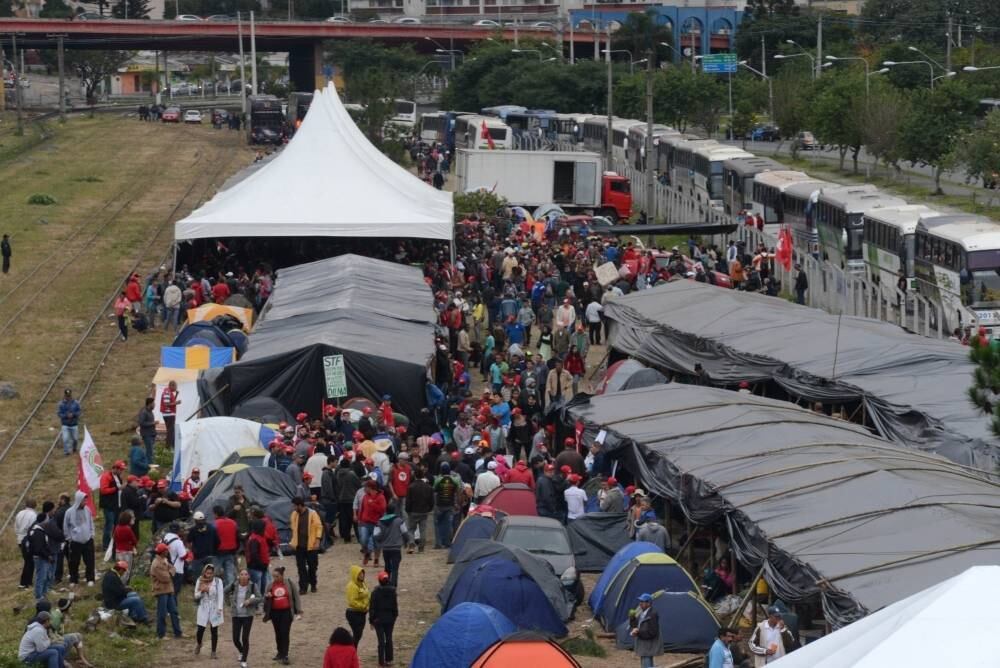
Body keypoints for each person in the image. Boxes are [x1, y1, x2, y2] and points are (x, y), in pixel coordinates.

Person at [264, 566, 302, 666]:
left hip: (286, 612)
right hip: (275, 613)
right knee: (278, 633)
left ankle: (285, 655)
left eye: (277, 576)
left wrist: (298, 611)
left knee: (285, 632)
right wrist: (267, 597)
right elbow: (265, 600)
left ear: (282, 575)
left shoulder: (289, 583)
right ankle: (279, 652)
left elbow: (296, 597)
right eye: (273, 576)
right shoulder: (270, 585)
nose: (275, 578)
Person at [289, 496, 323, 595]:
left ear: (300, 505)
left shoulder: (312, 513)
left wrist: (317, 540)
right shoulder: (294, 515)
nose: (293, 508)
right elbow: (293, 529)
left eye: (295, 506)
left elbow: (319, 527)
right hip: (299, 546)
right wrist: (293, 541)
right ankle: (303, 587)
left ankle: (313, 584)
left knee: (313, 566)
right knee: (301, 567)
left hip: (311, 545)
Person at [62, 490, 95, 587]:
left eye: (85, 501)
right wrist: (69, 538)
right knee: (74, 562)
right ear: (78, 500)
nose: (85, 503)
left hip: (87, 540)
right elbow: (66, 526)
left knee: (89, 561)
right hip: (75, 542)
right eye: (83, 501)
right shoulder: (69, 512)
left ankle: (90, 578)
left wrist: (92, 534)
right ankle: (73, 579)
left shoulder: (87, 510)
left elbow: (90, 522)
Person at [229, 569, 261, 668]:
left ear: (248, 577)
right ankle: (242, 651)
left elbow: (260, 598)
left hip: (248, 616)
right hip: (236, 615)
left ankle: (244, 660)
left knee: (245, 638)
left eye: (245, 574)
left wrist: (250, 601)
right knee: (235, 639)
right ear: (239, 576)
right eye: (241, 574)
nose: (243, 576)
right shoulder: (234, 585)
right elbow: (224, 592)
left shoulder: (252, 586)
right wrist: (229, 602)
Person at [373, 502, 410, 587]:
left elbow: (376, 536)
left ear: (386, 511)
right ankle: (393, 585)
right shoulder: (399, 521)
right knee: (395, 568)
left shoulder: (379, 522)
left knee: (387, 567)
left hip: (386, 548)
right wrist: (406, 542)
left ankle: (386, 583)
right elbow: (405, 533)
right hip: (396, 548)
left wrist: (382, 539)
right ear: (394, 511)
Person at [150, 542, 182, 639]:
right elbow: (166, 578)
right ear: (163, 552)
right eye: (166, 550)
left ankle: (178, 632)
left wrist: (170, 571)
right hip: (161, 591)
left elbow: (173, 569)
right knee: (162, 613)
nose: (168, 551)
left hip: (168, 590)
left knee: (174, 611)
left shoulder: (164, 560)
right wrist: (170, 571)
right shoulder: (156, 564)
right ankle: (161, 634)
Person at [194, 563, 225, 658]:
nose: (209, 575)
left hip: (214, 607)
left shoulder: (218, 581)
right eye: (207, 573)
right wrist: (202, 591)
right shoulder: (200, 580)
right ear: (204, 572)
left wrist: (220, 608)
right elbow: (196, 595)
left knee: (214, 629)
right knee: (200, 630)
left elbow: (220, 594)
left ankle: (213, 652)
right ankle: (199, 643)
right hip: (203, 606)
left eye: (211, 573)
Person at [369, 571, 398, 667]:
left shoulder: (375, 593)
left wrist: (371, 620)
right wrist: (394, 617)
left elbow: (372, 608)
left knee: (381, 641)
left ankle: (381, 661)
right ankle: (389, 659)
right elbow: (395, 607)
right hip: (389, 619)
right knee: (389, 639)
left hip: (379, 620)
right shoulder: (393, 592)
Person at [357, 481, 387, 567]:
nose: (364, 489)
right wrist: (360, 518)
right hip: (365, 522)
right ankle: (367, 553)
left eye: (366, 487)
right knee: (363, 539)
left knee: (377, 542)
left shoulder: (381, 497)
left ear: (371, 488)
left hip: (376, 523)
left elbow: (382, 510)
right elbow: (362, 507)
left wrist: (372, 504)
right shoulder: (365, 496)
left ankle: (376, 559)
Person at [629, 593, 662, 668]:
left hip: (648, 645)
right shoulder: (642, 613)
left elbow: (652, 632)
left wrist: (638, 632)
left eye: (642, 602)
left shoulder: (653, 614)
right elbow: (635, 626)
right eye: (640, 601)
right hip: (643, 645)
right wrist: (632, 618)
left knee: (646, 665)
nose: (640, 603)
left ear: (648, 603)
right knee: (646, 664)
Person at [432, 463, 461, 549]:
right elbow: (458, 492)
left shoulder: (438, 480)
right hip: (450, 505)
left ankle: (438, 543)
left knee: (437, 524)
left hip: (439, 505)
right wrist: (457, 504)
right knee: (448, 524)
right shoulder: (455, 480)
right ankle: (448, 543)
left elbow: (434, 491)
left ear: (441, 471)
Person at [404, 469, 433, 553]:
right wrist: (429, 509)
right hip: (424, 511)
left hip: (413, 511)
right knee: (422, 530)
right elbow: (431, 501)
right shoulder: (428, 487)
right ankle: (421, 548)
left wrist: (407, 510)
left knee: (411, 529)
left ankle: (411, 544)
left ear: (415, 476)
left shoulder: (411, 487)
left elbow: (408, 500)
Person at [98, 459, 124, 550]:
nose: (122, 471)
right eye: (121, 469)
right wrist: (117, 488)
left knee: (116, 525)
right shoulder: (106, 476)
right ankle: (106, 545)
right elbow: (103, 490)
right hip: (108, 505)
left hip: (117, 505)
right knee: (109, 525)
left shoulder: (118, 476)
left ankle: (114, 543)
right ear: (115, 468)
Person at [345, 565, 370, 647]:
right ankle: (351, 651)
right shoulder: (352, 586)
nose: (362, 575)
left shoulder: (362, 584)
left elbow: (367, 595)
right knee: (357, 634)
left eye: (363, 573)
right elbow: (353, 601)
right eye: (360, 574)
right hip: (354, 613)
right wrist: (363, 606)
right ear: (355, 575)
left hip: (362, 613)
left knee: (358, 635)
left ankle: (351, 652)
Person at [15, 499, 37, 590]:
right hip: (28, 539)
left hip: (20, 539)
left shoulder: (19, 513)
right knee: (29, 562)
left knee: (28, 560)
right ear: (34, 505)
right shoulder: (33, 515)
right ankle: (25, 583)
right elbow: (33, 528)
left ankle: (27, 582)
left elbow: (16, 527)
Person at [112, 510, 138, 582]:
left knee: (119, 568)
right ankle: (124, 583)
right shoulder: (128, 529)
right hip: (127, 552)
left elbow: (114, 537)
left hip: (118, 551)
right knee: (126, 569)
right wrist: (134, 545)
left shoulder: (117, 527)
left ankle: (117, 581)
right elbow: (134, 540)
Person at [57, 388, 81, 456]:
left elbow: (79, 411)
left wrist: (73, 415)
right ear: (65, 396)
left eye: (69, 396)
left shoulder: (76, 403)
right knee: (65, 439)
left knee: (75, 439)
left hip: (74, 424)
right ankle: (66, 452)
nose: (68, 397)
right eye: (67, 396)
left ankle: (74, 448)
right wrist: (66, 416)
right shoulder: (61, 404)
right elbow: (59, 413)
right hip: (65, 424)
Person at [160, 380, 181, 449]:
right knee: (170, 431)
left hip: (169, 414)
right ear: (171, 386)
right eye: (175, 386)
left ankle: (172, 445)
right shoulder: (167, 392)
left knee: (171, 430)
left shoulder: (169, 392)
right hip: (168, 415)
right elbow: (166, 404)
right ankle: (168, 447)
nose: (176, 388)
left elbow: (170, 402)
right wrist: (176, 403)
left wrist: (176, 396)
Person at [136, 397, 157, 461]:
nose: (154, 405)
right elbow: (141, 423)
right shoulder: (144, 412)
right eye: (153, 403)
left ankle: (148, 463)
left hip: (152, 434)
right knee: (149, 451)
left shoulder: (150, 412)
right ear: (149, 404)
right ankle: (149, 465)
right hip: (147, 434)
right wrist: (152, 423)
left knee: (150, 451)